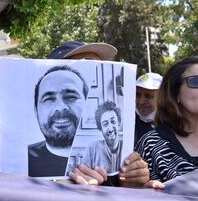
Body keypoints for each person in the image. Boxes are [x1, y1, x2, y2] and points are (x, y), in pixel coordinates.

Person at [47, 41, 158, 187]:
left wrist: (135, 182)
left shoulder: (132, 135)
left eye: (101, 66)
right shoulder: (28, 151)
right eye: (86, 66)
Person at [136, 56, 198, 182]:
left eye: (149, 96)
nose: (142, 101)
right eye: (196, 81)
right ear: (175, 92)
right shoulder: (151, 145)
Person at [28, 65, 88, 177]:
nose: (60, 107)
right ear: (36, 111)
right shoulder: (20, 159)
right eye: (49, 99)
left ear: (87, 104)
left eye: (71, 96)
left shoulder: (105, 157)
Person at [82, 101, 122, 173]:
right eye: (105, 124)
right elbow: (83, 175)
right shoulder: (92, 148)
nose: (110, 129)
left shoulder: (127, 146)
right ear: (101, 128)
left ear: (118, 123)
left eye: (113, 122)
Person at [135, 72, 163, 145]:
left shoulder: (175, 125)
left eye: (148, 96)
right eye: (137, 95)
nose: (141, 101)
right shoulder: (128, 124)